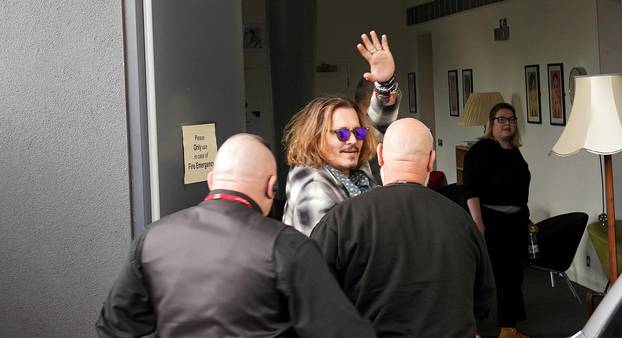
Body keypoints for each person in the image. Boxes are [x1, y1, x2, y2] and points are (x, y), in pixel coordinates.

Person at [95, 134, 376, 338]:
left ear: (211, 180)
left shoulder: (152, 238)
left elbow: (113, 328)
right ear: (271, 187)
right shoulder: (285, 246)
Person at [311, 118, 496, 337]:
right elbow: (484, 304)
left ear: (379, 155)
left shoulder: (341, 221)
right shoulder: (463, 222)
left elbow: (312, 301)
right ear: (431, 161)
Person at [283, 31, 400, 235]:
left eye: (358, 133)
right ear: (316, 137)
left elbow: (379, 122)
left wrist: (385, 83)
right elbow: (330, 257)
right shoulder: (314, 188)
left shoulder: (350, 169)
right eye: (342, 134)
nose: (353, 140)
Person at [462, 103, 532, 338]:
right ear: (491, 124)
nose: (507, 123)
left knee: (513, 278)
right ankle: (470, 328)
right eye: (501, 119)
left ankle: (508, 328)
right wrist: (478, 223)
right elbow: (471, 190)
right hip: (491, 222)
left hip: (516, 223)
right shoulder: (481, 150)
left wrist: (527, 219)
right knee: (485, 278)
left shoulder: (513, 150)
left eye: (511, 119)